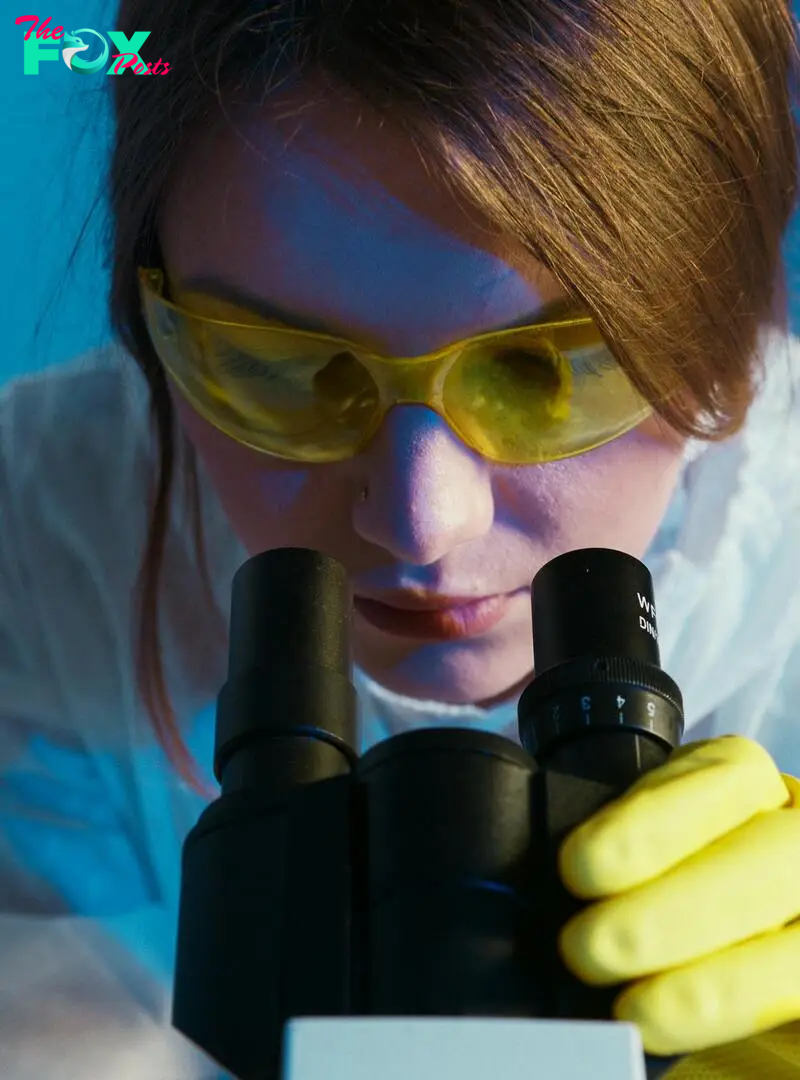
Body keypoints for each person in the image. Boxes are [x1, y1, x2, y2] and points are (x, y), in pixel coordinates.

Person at [2, 0, 800, 1076]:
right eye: (277, 367)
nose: (423, 525)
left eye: (546, 371)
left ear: (725, 339)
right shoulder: (35, 527)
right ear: (153, 323)